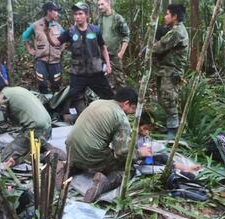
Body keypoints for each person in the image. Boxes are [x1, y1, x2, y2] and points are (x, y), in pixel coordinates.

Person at [65, 87, 151, 202]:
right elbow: (121, 152)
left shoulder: (98, 102)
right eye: (133, 108)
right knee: (127, 170)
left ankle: (70, 168)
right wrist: (140, 152)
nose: (131, 113)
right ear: (126, 103)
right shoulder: (121, 118)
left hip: (70, 149)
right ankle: (103, 183)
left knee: (92, 151)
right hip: (90, 155)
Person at [46, 2, 114, 115]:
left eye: (80, 13)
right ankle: (84, 117)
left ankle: (110, 116)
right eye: (75, 14)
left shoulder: (95, 30)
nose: (77, 16)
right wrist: (48, 35)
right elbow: (55, 43)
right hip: (77, 72)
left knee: (108, 95)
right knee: (76, 96)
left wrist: (108, 64)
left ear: (86, 15)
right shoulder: (70, 32)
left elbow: (103, 47)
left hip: (95, 71)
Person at [0, 77, 61, 166]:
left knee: (1, 160)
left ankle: (47, 156)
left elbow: (1, 127)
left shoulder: (1, 97)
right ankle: (42, 149)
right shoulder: (16, 90)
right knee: (24, 149)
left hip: (35, 131)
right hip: (47, 128)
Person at [152, 4, 189, 138]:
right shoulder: (172, 30)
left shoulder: (177, 32)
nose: (165, 16)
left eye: (167, 14)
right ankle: (170, 126)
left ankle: (173, 130)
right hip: (165, 69)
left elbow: (159, 47)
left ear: (175, 16)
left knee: (169, 99)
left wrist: (149, 47)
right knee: (163, 98)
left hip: (171, 70)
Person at [136, 112, 201, 173]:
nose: (147, 132)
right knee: (160, 161)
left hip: (147, 159)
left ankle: (185, 168)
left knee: (164, 158)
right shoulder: (133, 136)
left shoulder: (144, 137)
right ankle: (184, 170)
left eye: (149, 130)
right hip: (138, 161)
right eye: (145, 128)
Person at [22, 2, 64, 94]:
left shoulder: (58, 26)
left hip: (55, 60)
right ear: (49, 11)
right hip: (41, 59)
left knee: (56, 83)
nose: (57, 13)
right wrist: (29, 49)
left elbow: (65, 38)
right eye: (55, 11)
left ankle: (55, 103)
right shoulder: (36, 25)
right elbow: (25, 36)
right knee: (41, 82)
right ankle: (43, 101)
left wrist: (61, 49)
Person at [96, 0, 130, 89]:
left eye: (102, 4)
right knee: (103, 79)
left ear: (108, 3)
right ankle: (107, 99)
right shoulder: (99, 19)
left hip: (115, 55)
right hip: (102, 55)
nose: (100, 7)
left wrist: (121, 52)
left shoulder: (118, 18)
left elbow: (126, 35)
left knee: (119, 79)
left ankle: (123, 99)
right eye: (98, 5)